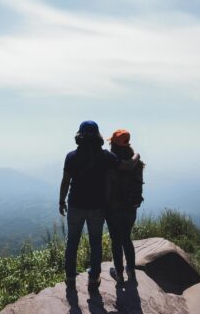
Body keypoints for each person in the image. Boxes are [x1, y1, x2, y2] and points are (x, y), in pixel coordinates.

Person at [59, 120, 137, 292]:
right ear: (98, 136)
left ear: (79, 135)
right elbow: (127, 166)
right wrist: (137, 155)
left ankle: (70, 278)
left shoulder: (71, 156)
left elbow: (65, 181)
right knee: (96, 244)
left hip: (75, 206)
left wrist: (61, 201)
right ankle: (94, 279)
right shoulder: (105, 156)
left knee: (72, 243)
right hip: (97, 208)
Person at [104, 129, 145, 285]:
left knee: (116, 240)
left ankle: (119, 274)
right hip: (131, 207)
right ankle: (131, 271)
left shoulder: (111, 162)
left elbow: (107, 187)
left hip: (113, 208)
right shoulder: (138, 164)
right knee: (126, 238)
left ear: (114, 144)